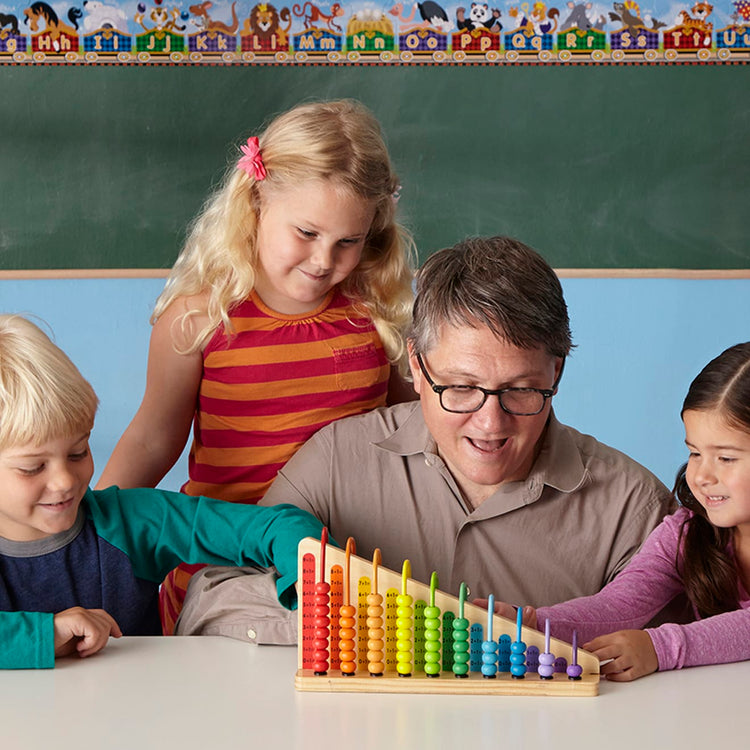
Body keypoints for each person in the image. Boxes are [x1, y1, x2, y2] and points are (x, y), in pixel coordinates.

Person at [175, 236, 676, 642]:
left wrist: (533, 632)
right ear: (416, 366)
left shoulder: (634, 508)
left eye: (522, 391)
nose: (490, 424)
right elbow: (212, 599)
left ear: (557, 371)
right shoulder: (336, 461)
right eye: (460, 388)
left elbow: (684, 668)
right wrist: (377, 627)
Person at [95, 99, 416, 633]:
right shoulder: (198, 320)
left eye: (347, 243)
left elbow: (422, 428)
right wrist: (89, 531)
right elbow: (153, 440)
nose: (322, 261)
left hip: (355, 563)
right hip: (232, 562)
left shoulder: (376, 315)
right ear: (257, 199)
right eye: (307, 233)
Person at [0, 314, 327, 669]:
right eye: (33, 467)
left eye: (78, 452)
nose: (65, 480)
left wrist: (314, 578)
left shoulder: (132, 522)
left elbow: (271, 527)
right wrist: (44, 635)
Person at [489, 342, 750, 681]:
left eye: (726, 458)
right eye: (695, 453)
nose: (701, 476)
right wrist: (534, 623)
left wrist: (661, 647)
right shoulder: (687, 532)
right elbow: (620, 605)